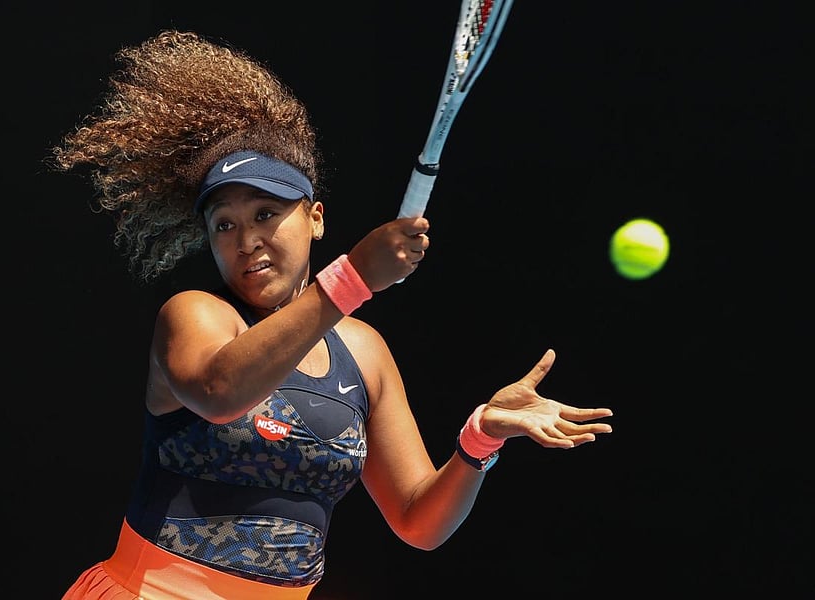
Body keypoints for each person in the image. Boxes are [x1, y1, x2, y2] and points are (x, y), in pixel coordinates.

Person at [50, 30, 614, 600]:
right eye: (224, 224)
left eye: (266, 213)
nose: (245, 239)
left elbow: (418, 522)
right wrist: (352, 279)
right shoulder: (194, 315)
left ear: (315, 217)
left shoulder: (364, 353)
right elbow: (221, 392)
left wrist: (479, 440)